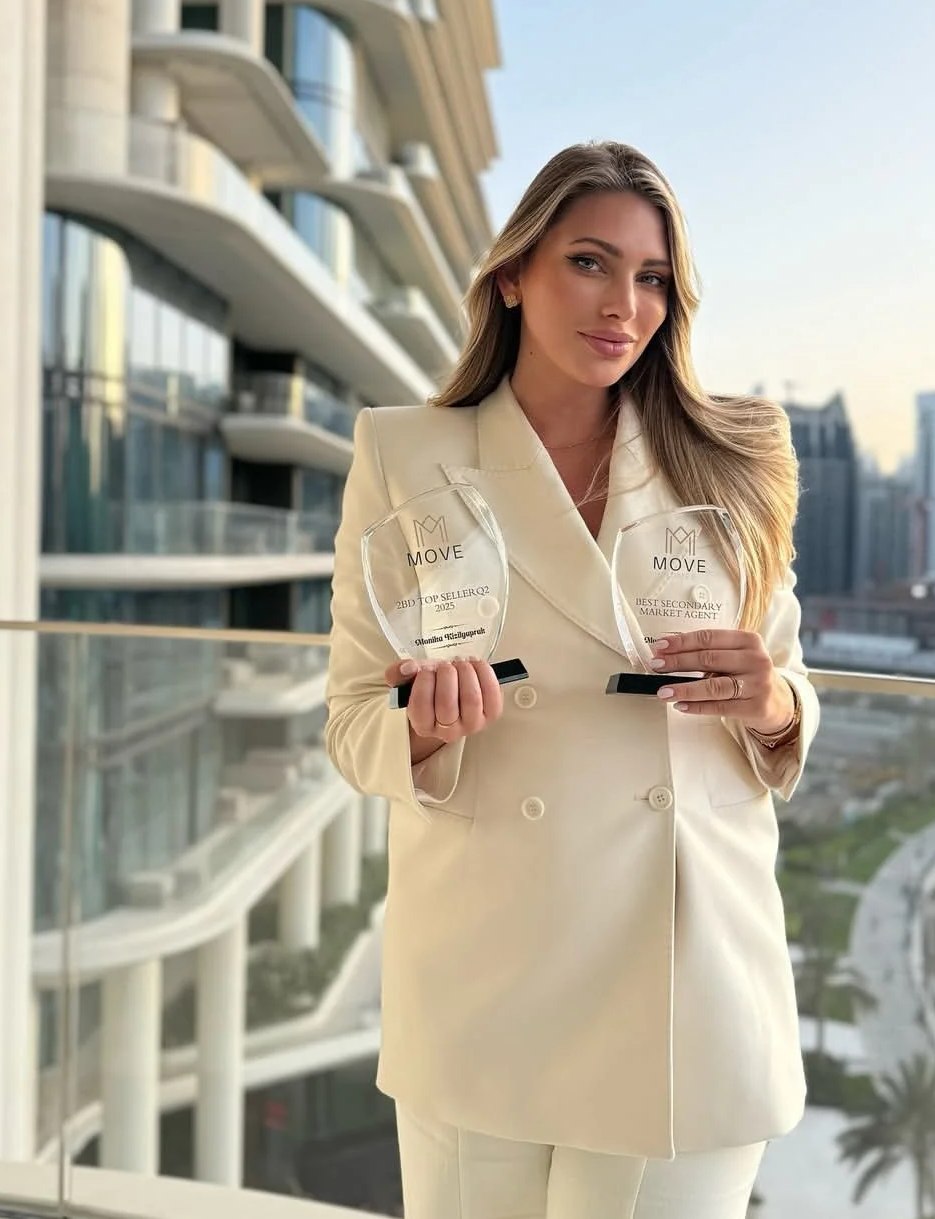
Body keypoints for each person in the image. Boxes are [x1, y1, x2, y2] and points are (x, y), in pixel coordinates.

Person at [324, 141, 820, 1219]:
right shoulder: (405, 452)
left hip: (682, 971)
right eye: (589, 263)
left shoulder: (732, 455)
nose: (623, 304)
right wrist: (420, 728)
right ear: (513, 274)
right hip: (484, 964)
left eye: (650, 278)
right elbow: (351, 713)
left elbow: (783, 685)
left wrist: (770, 700)